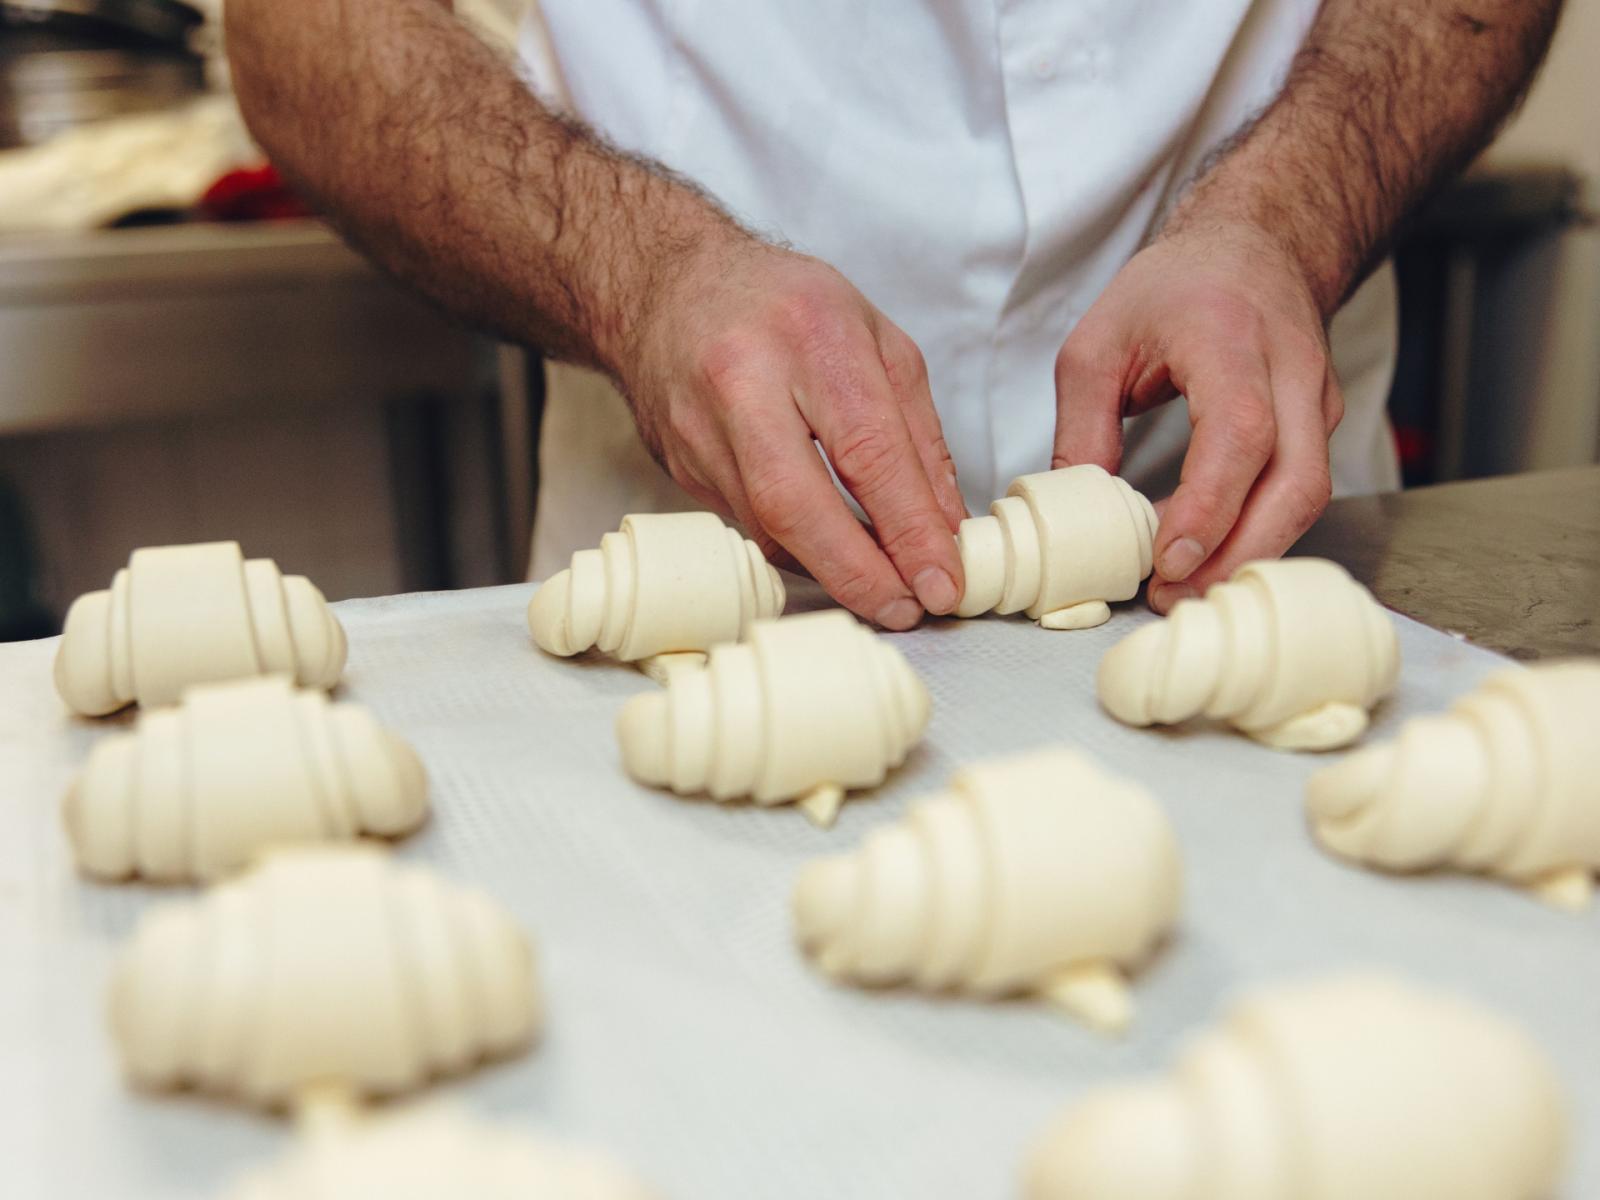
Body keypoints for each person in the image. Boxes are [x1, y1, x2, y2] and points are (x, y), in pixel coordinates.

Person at [225, 0, 1561, 629]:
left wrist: (1284, 215)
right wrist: (637, 271)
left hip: (1267, 563)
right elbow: (307, 29)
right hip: (694, 583)